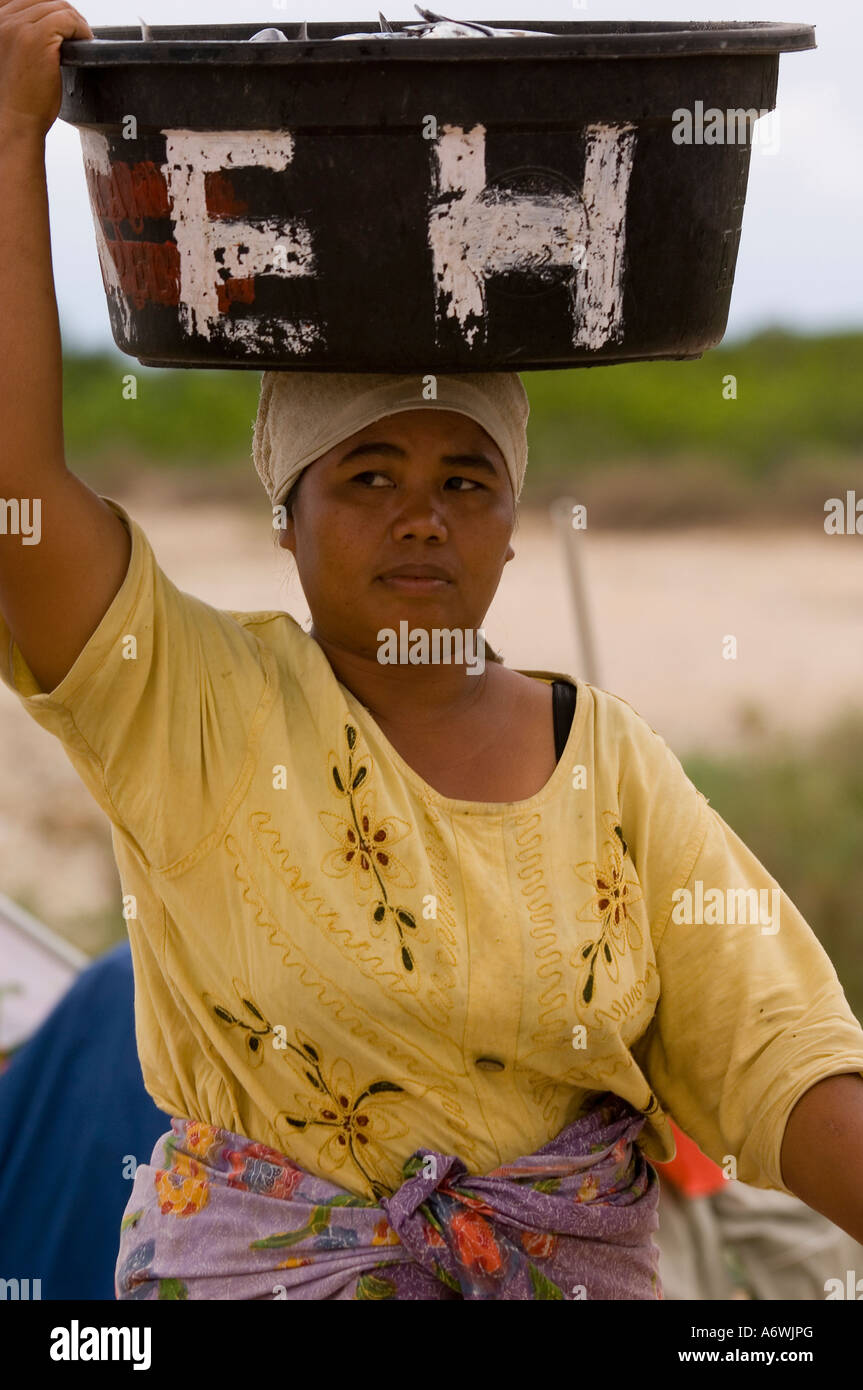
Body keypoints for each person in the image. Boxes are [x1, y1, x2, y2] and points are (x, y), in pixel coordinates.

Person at [2, 0, 863, 1302]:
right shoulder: (190, 705)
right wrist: (14, 146)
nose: (422, 512)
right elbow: (15, 484)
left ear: (515, 526)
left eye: (468, 479)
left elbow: (777, 1053)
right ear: (284, 516)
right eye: (368, 474)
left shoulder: (611, 765)